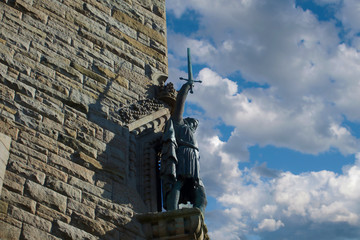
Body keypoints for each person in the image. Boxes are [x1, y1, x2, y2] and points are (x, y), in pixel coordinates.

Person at [161, 82, 207, 214]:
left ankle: (198, 211)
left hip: (193, 156)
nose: (195, 124)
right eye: (193, 121)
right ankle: (172, 209)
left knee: (197, 186)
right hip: (184, 154)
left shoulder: (190, 132)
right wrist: (186, 87)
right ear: (187, 120)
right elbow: (180, 103)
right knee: (180, 180)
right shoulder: (179, 124)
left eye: (196, 124)